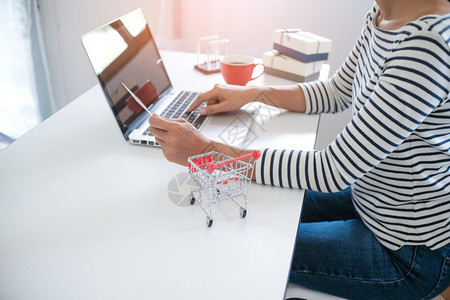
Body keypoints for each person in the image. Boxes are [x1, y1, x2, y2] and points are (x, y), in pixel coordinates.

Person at [149, 0, 450, 298]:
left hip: (406, 251)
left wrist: (206, 151)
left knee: (243, 239)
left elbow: (331, 170)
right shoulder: (382, 14)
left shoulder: (426, 47)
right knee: (244, 205)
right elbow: (336, 92)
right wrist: (253, 93)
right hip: (369, 199)